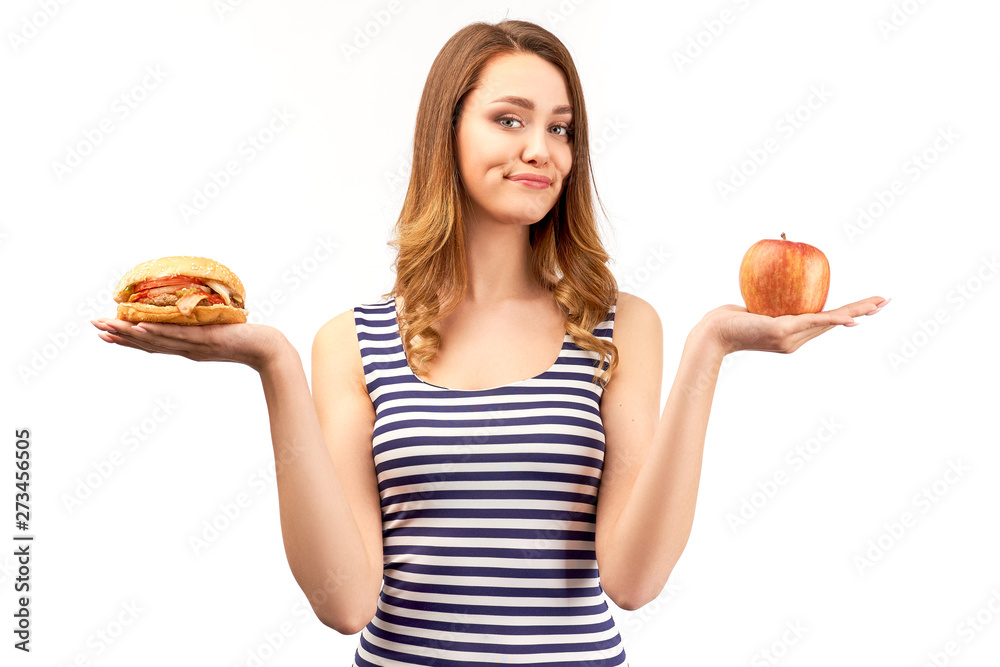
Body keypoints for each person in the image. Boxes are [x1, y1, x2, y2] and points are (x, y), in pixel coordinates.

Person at [91, 18, 888, 666]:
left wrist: (711, 344)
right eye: (509, 119)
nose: (541, 148)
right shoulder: (349, 343)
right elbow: (344, 603)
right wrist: (272, 364)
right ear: (448, 132)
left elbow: (635, 581)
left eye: (560, 127)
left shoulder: (623, 327)